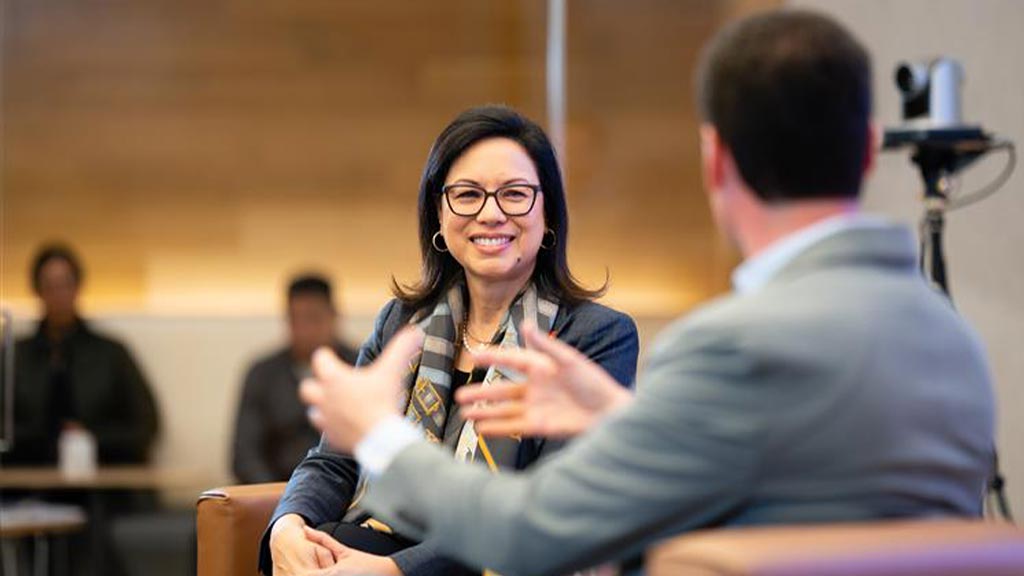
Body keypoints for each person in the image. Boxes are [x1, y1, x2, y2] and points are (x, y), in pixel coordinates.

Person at [299, 10, 996, 576]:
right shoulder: (952, 338)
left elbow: (529, 536)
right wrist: (621, 418)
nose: (491, 214)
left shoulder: (728, 346)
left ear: (714, 158)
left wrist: (382, 436)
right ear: (871, 149)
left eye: (514, 194)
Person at [262, 106, 639, 576]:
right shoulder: (401, 323)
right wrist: (287, 526)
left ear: (549, 215)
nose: (491, 213)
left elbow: (543, 511)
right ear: (438, 215)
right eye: (467, 194)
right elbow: (335, 460)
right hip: (366, 546)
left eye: (515, 194)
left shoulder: (593, 335)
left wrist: (397, 571)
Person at [3, 243, 160, 465]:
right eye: (50, 285)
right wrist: (40, 439)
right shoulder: (14, 356)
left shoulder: (111, 354)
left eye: (64, 284)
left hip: (103, 484)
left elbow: (146, 427)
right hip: (27, 483)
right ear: (37, 290)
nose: (58, 295)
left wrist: (89, 438)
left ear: (77, 287)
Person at [233, 274, 359, 483]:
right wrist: (280, 499)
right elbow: (245, 454)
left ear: (334, 316)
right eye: (295, 319)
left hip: (348, 493)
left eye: (313, 318)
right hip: (276, 494)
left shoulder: (360, 367)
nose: (304, 330)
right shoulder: (263, 373)